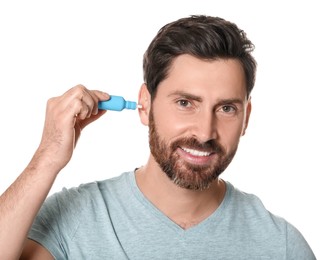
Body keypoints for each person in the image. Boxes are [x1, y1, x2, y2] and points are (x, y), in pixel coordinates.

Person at [0, 15, 315, 259]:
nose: (205, 132)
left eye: (226, 108)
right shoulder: (76, 221)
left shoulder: (281, 246)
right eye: (184, 103)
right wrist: (47, 158)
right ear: (145, 105)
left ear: (246, 117)